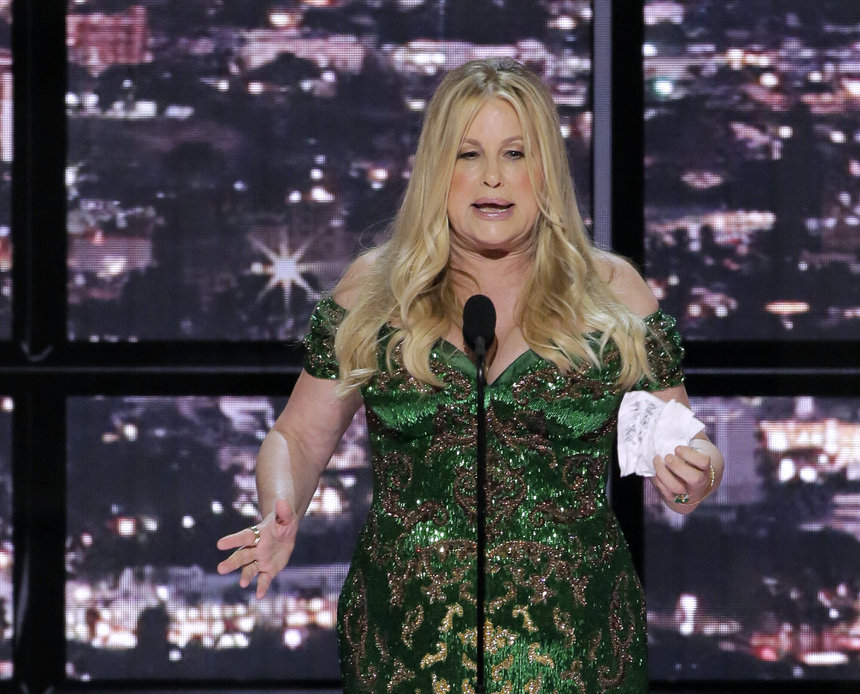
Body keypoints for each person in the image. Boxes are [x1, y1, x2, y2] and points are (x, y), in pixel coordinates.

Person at [217, 57, 724, 692]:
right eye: (467, 154)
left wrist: (696, 472)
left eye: (515, 153)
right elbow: (296, 439)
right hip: (404, 653)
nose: (492, 177)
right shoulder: (376, 292)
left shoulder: (612, 293)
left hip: (577, 656)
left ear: (544, 168)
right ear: (437, 169)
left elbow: (686, 443)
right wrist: (280, 506)